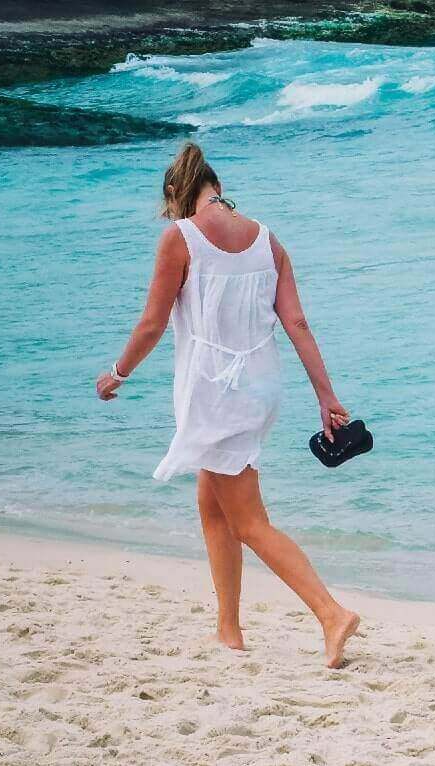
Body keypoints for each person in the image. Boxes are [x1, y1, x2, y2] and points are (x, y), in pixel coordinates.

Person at [96, 142, 360, 668]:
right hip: (261, 386)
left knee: (248, 521)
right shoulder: (268, 240)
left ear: (178, 193)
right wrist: (326, 397)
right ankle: (229, 630)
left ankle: (331, 613)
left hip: (215, 389)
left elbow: (151, 323)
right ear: (216, 186)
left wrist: (119, 373)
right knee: (212, 505)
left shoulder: (181, 238)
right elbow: (298, 325)